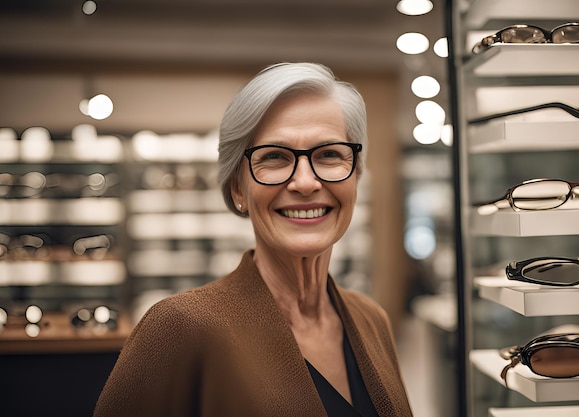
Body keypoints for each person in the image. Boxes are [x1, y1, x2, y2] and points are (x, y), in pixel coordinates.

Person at [93, 62, 413, 417]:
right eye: (274, 157)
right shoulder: (179, 328)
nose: (305, 182)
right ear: (238, 189)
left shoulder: (371, 319)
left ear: (356, 176)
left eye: (329, 154)